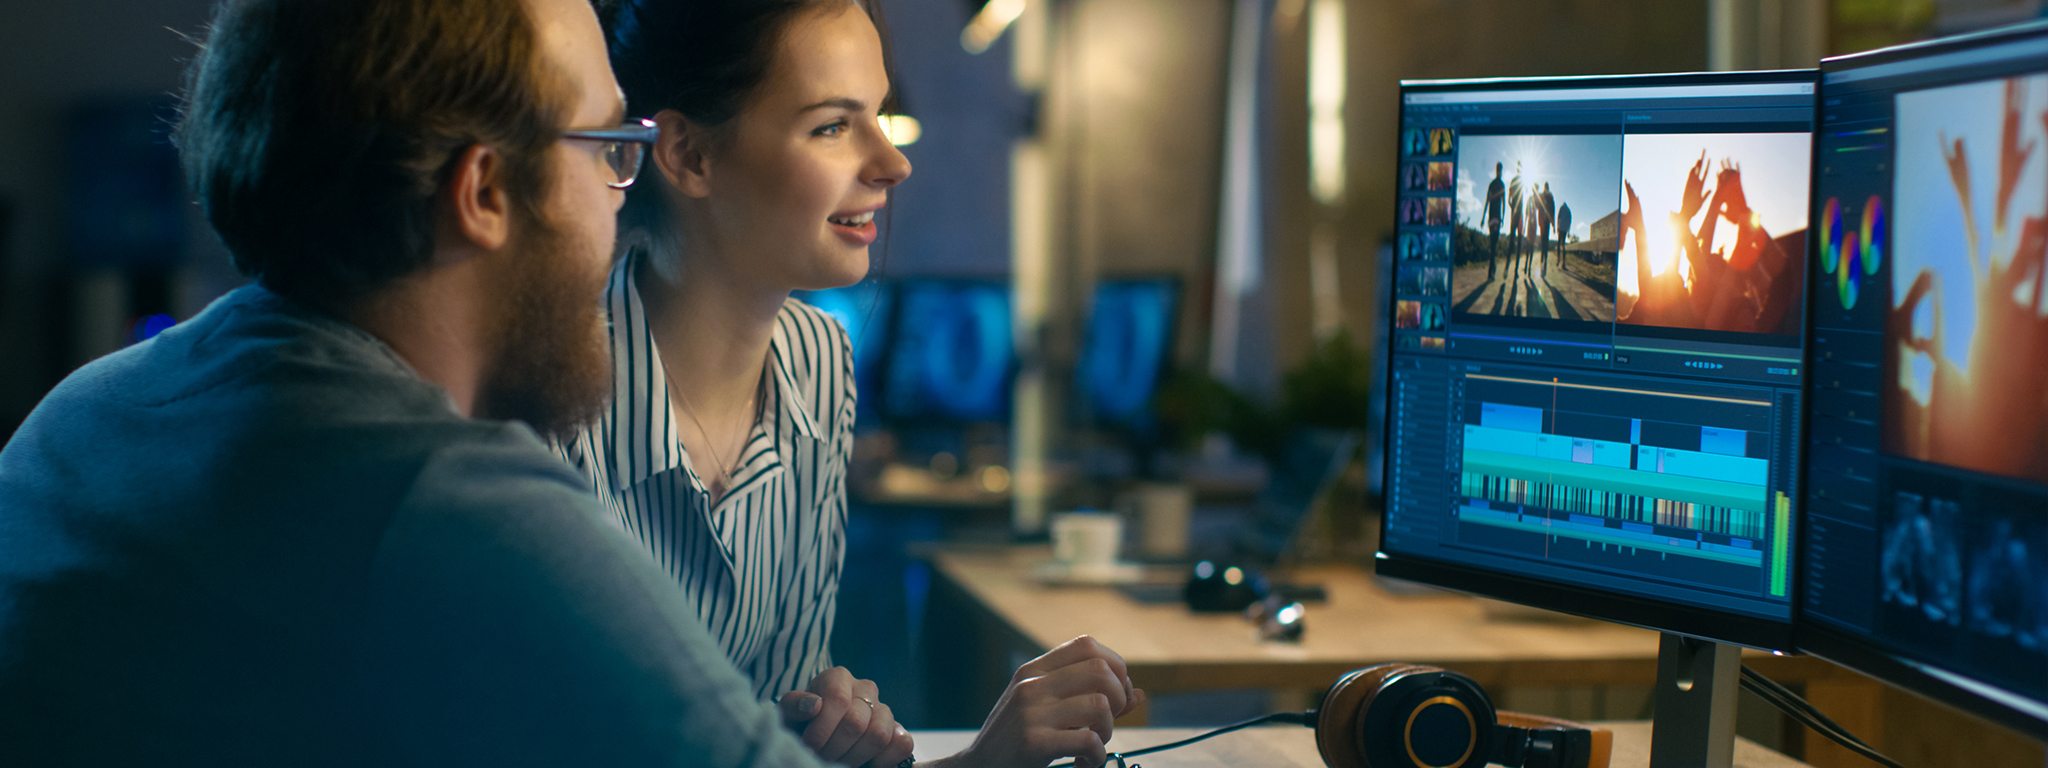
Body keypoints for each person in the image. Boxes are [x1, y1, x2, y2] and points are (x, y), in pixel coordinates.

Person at [1, 0, 1128, 765]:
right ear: (484, 192)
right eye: (606, 148)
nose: (621, 197)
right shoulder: (447, 507)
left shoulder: (72, 422)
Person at [566, 1, 1142, 766]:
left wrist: (820, 731)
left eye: (876, 114)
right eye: (833, 126)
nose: (893, 162)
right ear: (688, 156)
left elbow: (768, 737)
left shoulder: (819, 361)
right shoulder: (547, 389)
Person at [1484, 162, 1505, 279]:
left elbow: (1487, 201)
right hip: (1496, 218)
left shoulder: (1492, 184)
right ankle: (1492, 271)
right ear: (1500, 170)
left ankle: (1491, 271)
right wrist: (1503, 217)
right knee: (1494, 245)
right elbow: (1503, 203)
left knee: (1492, 244)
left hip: (1492, 218)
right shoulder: (1501, 184)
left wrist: (1483, 218)